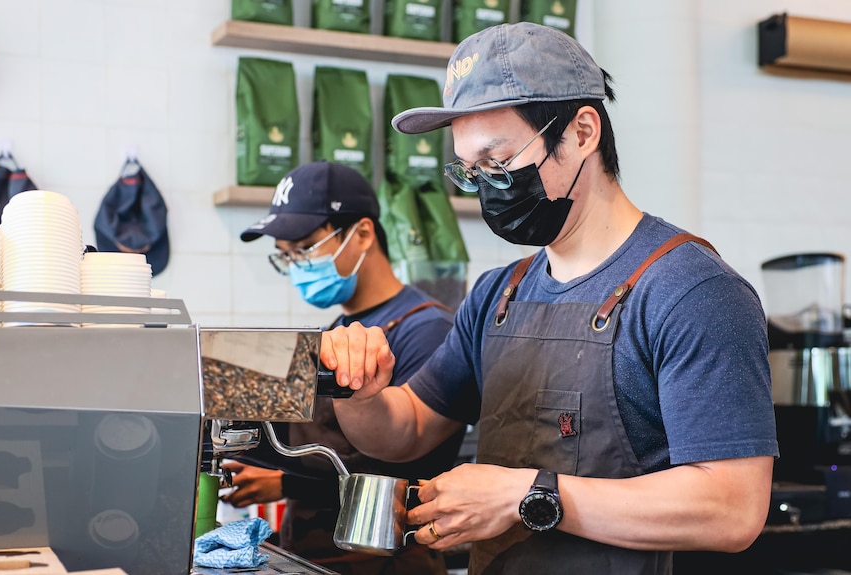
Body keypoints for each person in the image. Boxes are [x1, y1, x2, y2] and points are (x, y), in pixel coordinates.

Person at [320, 23, 779, 575]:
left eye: (499, 160)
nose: (488, 186)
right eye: (471, 170)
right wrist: (360, 392)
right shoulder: (499, 293)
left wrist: (525, 496)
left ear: (583, 131)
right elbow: (407, 430)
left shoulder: (692, 292)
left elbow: (732, 509)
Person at [224, 160, 466, 575]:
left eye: (304, 248)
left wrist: (285, 483)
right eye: (286, 256)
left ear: (364, 234)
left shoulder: (426, 329)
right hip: (316, 552)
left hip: (386, 559)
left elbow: (400, 468)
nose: (297, 264)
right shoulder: (338, 330)